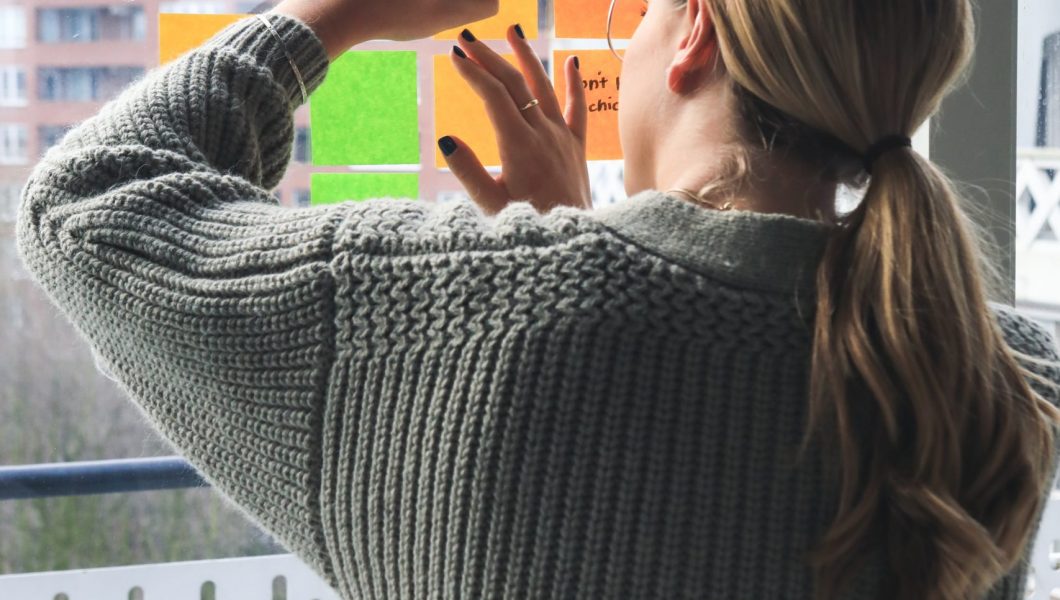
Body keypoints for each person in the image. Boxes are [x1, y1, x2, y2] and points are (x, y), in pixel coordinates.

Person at [15, 0, 1060, 597]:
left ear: (693, 29)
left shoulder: (460, 326)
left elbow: (88, 201)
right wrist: (583, 242)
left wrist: (335, 14)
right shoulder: (990, 389)